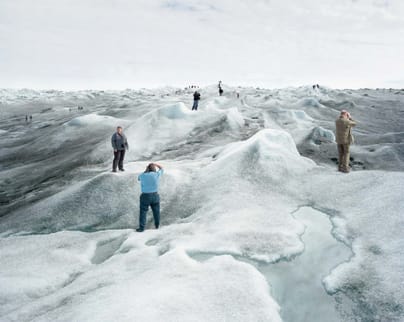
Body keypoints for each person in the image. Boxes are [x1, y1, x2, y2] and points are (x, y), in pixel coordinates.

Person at [136, 163, 164, 232]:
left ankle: (141, 228)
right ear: (154, 169)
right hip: (155, 195)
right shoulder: (156, 174)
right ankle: (157, 226)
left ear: (147, 168)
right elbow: (162, 168)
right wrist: (156, 164)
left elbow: (138, 178)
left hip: (145, 196)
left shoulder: (143, 175)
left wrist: (146, 170)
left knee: (143, 212)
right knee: (156, 212)